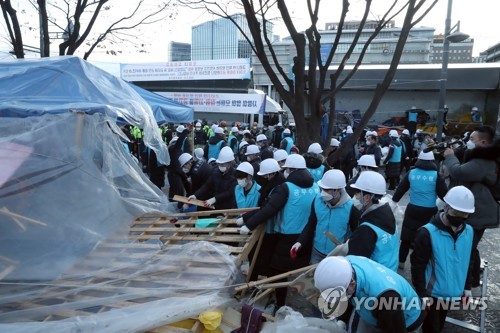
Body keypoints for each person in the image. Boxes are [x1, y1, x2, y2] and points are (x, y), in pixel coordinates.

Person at [239, 154, 319, 308]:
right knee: (298, 271)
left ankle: (280, 304)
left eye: (287, 169)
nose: (285, 172)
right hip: (306, 237)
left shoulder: (286, 188)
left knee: (277, 273)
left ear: (292, 169)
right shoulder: (315, 187)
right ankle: (304, 302)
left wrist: (248, 225)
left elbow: (269, 209)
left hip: (286, 238)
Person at [411, 186, 476, 333]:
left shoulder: (469, 232)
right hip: (432, 295)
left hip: (453, 293)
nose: (459, 217)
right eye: (456, 212)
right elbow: (418, 266)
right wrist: (421, 293)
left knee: (438, 326)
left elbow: (470, 260)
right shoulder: (427, 233)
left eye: (464, 214)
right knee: (432, 329)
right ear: (446, 207)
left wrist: (467, 287)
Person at [442, 125, 498, 296]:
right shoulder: (483, 158)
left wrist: (450, 157)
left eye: (471, 139)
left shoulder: (483, 162)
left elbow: (459, 172)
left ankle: (466, 289)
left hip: (477, 213)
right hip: (477, 210)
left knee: (467, 250)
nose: (468, 142)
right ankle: (471, 284)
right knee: (470, 248)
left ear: (483, 142)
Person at [314, 256, 425, 333]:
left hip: (405, 320)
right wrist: (342, 320)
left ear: (352, 284)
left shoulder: (386, 300)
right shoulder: (347, 264)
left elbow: (396, 329)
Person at [392, 151, 448, 269]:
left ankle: (401, 261)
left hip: (413, 209)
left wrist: (394, 200)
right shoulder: (436, 175)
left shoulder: (411, 173)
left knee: (406, 237)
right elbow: (444, 194)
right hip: (429, 211)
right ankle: (423, 263)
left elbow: (401, 189)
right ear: (432, 161)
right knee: (427, 236)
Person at [294, 169, 360, 263]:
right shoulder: (317, 200)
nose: (322, 192)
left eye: (326, 189)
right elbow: (311, 224)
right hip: (317, 251)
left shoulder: (350, 208)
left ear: (337, 190)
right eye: (322, 189)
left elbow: (356, 234)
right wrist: (299, 242)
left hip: (337, 255)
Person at [238, 158, 285, 281]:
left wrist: (248, 223)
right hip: (265, 225)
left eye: (265, 175)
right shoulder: (271, 185)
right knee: (256, 256)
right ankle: (252, 279)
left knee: (263, 258)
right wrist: (246, 218)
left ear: (271, 174)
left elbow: (267, 209)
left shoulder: (278, 188)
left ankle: (257, 282)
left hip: (272, 229)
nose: (263, 177)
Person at [348, 171, 399, 271]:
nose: (355, 196)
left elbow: (356, 264)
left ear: (367, 197)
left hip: (374, 278)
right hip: (389, 273)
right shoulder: (387, 214)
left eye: (358, 192)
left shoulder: (366, 229)